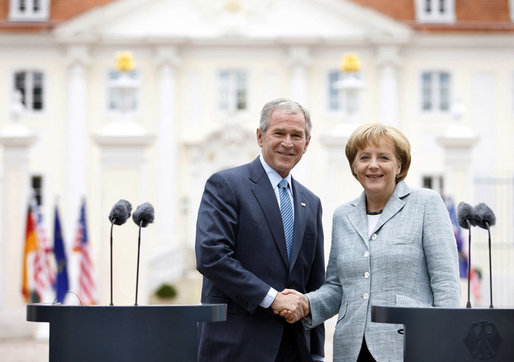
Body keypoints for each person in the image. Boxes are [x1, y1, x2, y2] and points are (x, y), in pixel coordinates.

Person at [281, 123, 461, 361]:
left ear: (399, 165)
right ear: (354, 166)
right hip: (351, 349)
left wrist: (445, 342)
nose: (373, 165)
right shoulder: (343, 215)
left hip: (410, 346)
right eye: (364, 157)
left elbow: (446, 283)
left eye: (384, 157)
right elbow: (337, 287)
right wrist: (305, 303)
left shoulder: (426, 203)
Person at [195, 98, 325, 361]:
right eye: (279, 133)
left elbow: (314, 282)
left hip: (295, 348)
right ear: (260, 136)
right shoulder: (226, 185)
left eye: (296, 135)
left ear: (307, 144)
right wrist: (272, 298)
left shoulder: (311, 202)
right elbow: (211, 255)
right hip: (237, 345)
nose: (287, 142)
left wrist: (317, 353)